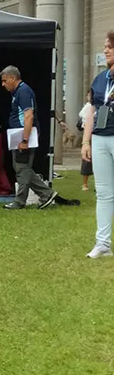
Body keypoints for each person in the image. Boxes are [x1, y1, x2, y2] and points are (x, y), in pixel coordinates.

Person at [0, 65, 57, 210]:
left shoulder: (23, 92)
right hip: (20, 134)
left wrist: (24, 139)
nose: (3, 84)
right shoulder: (18, 92)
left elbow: (28, 116)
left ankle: (21, 201)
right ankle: (46, 194)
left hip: (23, 135)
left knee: (22, 168)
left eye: (5, 80)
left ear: (13, 78)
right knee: (22, 168)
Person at [83, 32, 114, 258]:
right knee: (103, 192)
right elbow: (92, 111)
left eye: (110, 47)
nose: (106, 50)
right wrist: (86, 140)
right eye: (105, 46)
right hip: (100, 138)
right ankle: (102, 243)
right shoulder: (99, 79)